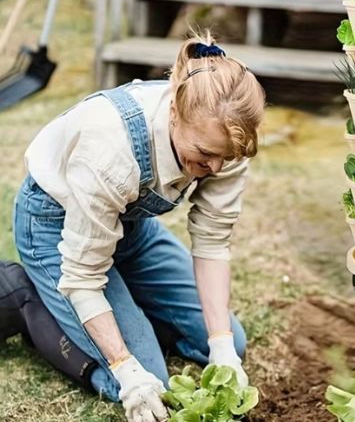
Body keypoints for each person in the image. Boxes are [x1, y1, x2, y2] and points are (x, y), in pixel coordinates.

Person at [2, 31, 266, 422]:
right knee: (147, 382)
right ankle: (27, 295)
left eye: (225, 158)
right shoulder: (111, 150)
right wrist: (126, 367)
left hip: (128, 229)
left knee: (232, 342)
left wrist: (221, 343)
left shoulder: (226, 139)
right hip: (55, 230)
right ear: (174, 112)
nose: (215, 169)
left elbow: (211, 241)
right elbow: (84, 277)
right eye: (205, 155)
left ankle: (126, 305)